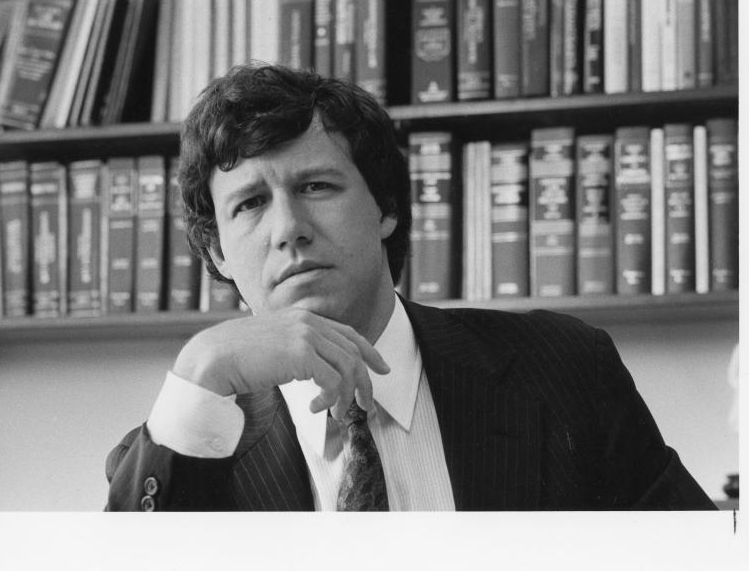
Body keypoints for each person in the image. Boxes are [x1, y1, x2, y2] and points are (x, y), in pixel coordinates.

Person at [105, 64, 715, 512]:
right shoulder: (180, 446)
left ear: (387, 207)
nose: (289, 229)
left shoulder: (566, 369)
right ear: (217, 252)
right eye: (251, 204)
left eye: (317, 186)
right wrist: (200, 366)